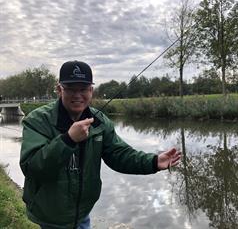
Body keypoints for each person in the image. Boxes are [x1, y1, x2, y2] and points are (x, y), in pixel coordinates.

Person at [19, 60, 181, 229]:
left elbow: (120, 155)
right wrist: (68, 139)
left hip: (82, 212)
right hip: (51, 214)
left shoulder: (100, 122)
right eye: (71, 89)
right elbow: (32, 168)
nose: (77, 95)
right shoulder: (38, 120)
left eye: (83, 89)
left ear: (91, 90)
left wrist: (154, 162)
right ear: (60, 90)